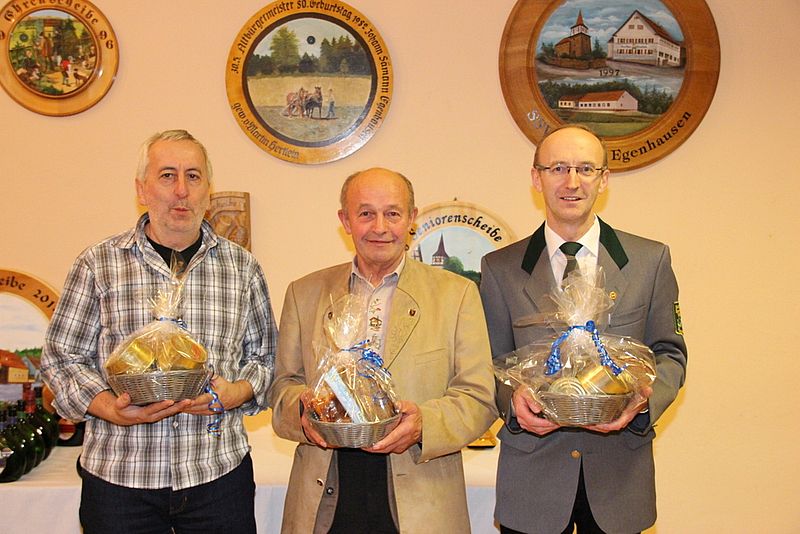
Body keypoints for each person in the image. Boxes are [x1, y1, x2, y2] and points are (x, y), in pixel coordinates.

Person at [41, 129, 277, 534]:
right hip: (120, 479)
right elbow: (61, 359)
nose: (181, 190)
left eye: (193, 176)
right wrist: (108, 407)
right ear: (141, 189)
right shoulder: (98, 264)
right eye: (167, 175)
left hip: (217, 475)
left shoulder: (243, 268)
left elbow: (267, 358)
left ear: (208, 191)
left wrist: (238, 392)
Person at [480, 125, 687, 534]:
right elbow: (487, 363)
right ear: (536, 177)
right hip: (532, 480)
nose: (572, 182)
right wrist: (513, 402)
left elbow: (671, 354)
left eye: (585, 169)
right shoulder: (500, 268)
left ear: (604, 179)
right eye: (558, 168)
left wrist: (643, 401)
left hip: (619, 480)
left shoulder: (650, 261)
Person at [269, 167, 497, 533]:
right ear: (345, 220)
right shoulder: (304, 293)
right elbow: (282, 387)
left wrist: (424, 424)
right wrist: (304, 412)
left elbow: (480, 397)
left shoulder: (456, 296)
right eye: (366, 213)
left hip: (423, 503)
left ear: (411, 219)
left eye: (392, 213)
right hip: (324, 501)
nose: (380, 227)